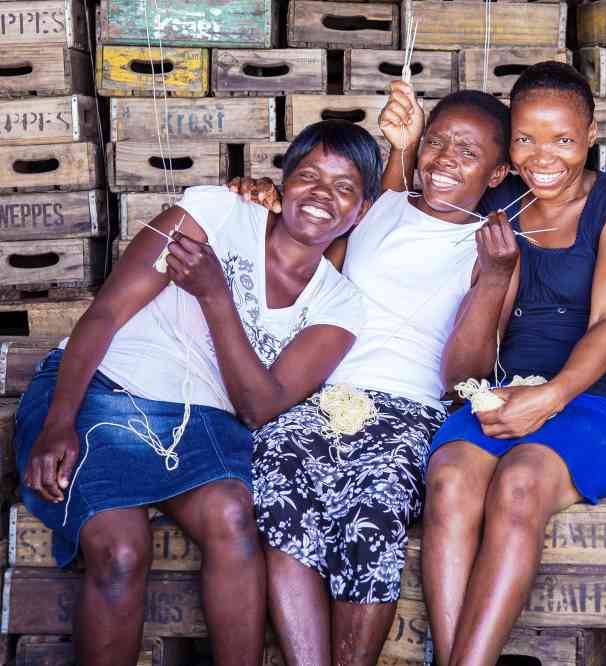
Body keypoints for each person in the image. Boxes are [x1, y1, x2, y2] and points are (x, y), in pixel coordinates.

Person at [14, 120, 378, 665]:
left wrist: (216, 295)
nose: (322, 195)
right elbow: (107, 312)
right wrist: (59, 420)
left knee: (234, 517)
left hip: (202, 424)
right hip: (102, 389)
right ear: (283, 184)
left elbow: (259, 406)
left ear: (361, 212)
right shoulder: (217, 212)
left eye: (344, 187)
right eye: (308, 176)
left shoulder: (340, 306)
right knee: (119, 550)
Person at [244, 84, 517, 666]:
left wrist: (493, 280)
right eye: (438, 142)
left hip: (410, 410)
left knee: (375, 505)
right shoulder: (382, 202)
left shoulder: (492, 248)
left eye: (469, 153)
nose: (446, 160)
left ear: (497, 175)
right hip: (323, 393)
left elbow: (461, 377)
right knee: (280, 472)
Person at [420, 61, 606, 666]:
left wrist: (549, 398)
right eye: (525, 138)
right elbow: (468, 361)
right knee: (448, 482)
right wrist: (492, 281)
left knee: (520, 481)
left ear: (591, 135)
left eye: (563, 140)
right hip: (500, 396)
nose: (541, 156)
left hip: (591, 401)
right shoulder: (500, 204)